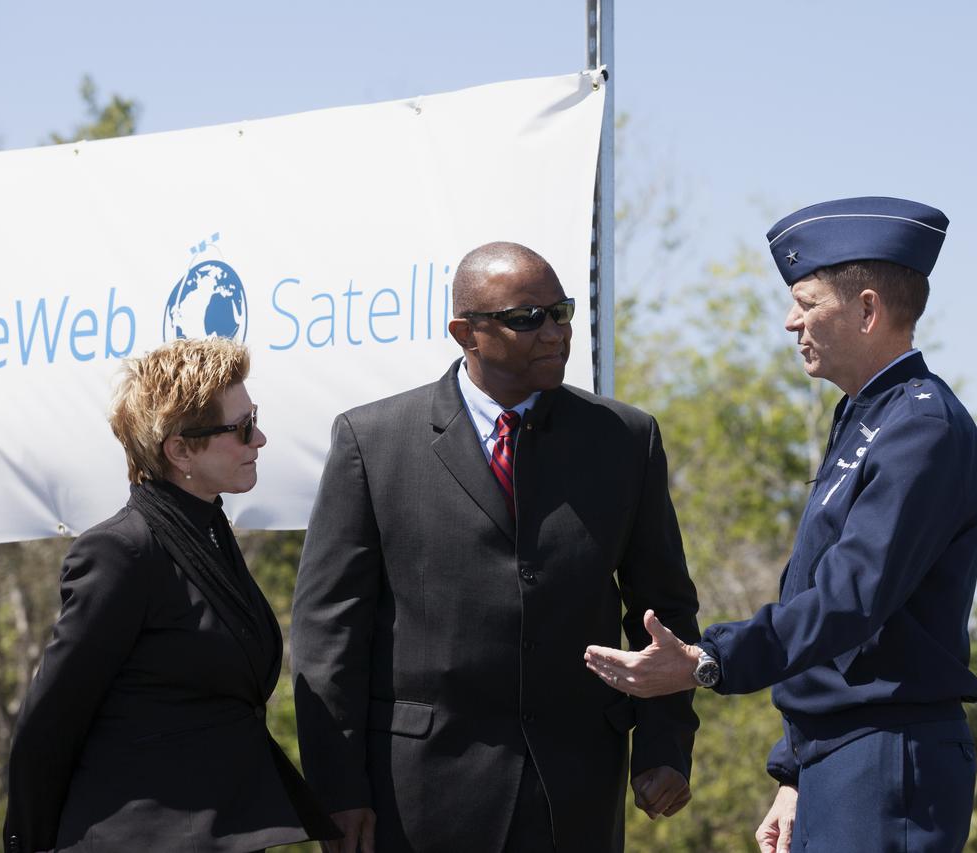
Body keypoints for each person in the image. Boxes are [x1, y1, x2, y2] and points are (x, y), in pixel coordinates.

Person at [584, 197, 977, 853]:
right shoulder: (867, 417)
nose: (789, 321)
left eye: (806, 302)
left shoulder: (920, 429)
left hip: (885, 760)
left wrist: (706, 659)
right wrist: (796, 767)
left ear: (866, 309)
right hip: (843, 758)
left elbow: (849, 601)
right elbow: (825, 612)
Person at [291, 241, 701, 853]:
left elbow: (663, 610)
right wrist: (337, 790)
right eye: (527, 318)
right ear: (467, 333)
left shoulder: (625, 439)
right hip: (416, 794)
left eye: (561, 312)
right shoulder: (372, 441)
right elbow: (328, 634)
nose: (555, 332)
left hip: (575, 792)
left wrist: (665, 744)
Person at [4, 337, 338, 853]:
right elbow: (51, 718)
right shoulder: (121, 551)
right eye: (242, 427)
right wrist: (28, 841)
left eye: (255, 417)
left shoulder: (207, 529)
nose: (261, 438)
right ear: (180, 450)